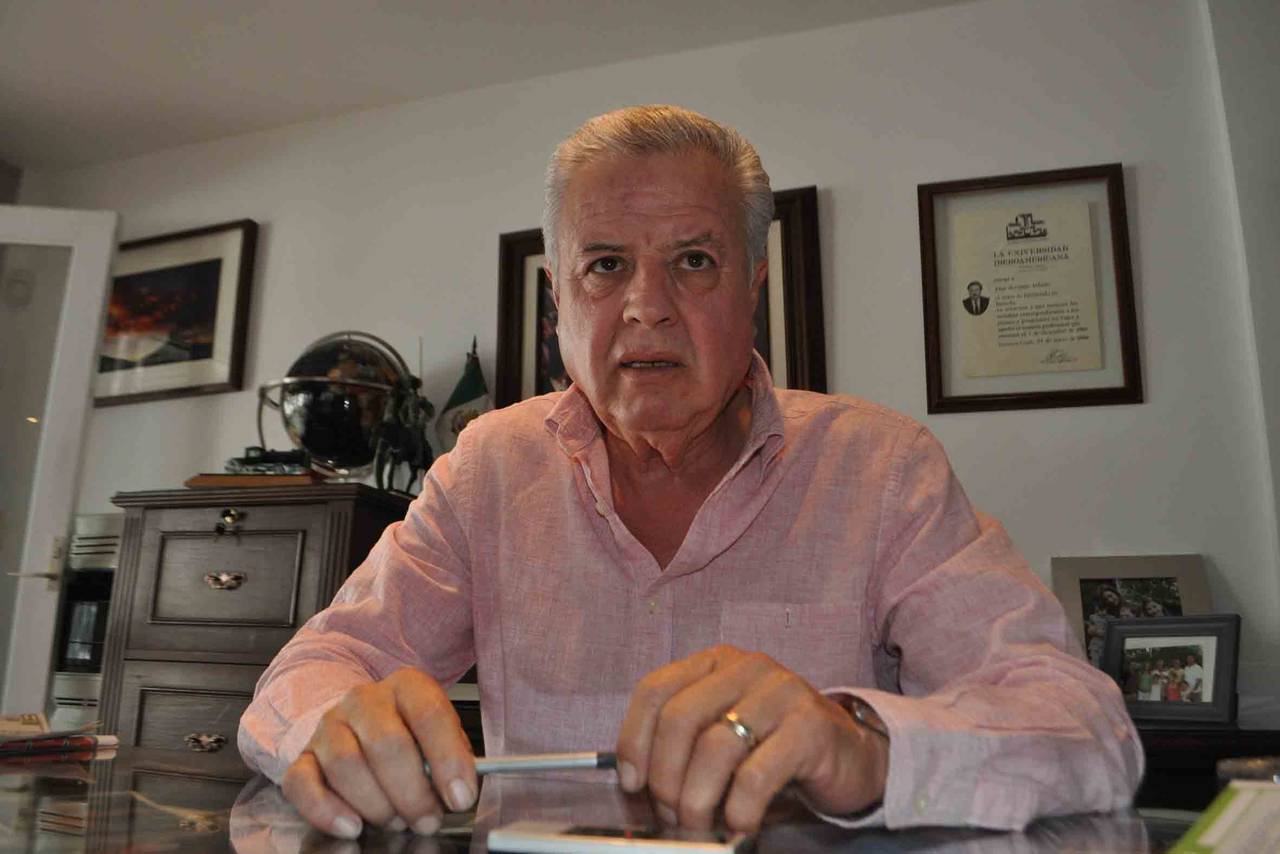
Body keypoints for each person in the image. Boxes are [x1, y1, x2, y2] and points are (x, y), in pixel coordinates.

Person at [238, 105, 1142, 839]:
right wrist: (337, 728)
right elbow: (312, 670)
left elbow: (1085, 729)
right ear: (558, 300)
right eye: (605, 266)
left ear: (752, 286)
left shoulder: (882, 467)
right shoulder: (488, 468)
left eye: (693, 261)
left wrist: (861, 746)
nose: (647, 307)